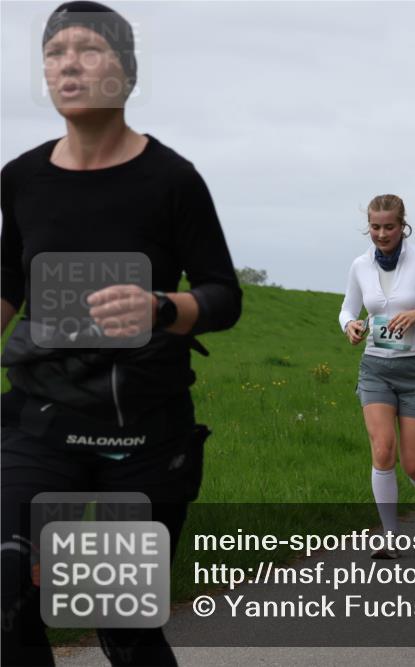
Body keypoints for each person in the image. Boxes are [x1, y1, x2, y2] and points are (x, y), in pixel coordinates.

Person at [1, 4, 242, 664]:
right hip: (40, 415)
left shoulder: (171, 180)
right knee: (4, 591)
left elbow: (224, 295)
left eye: (88, 50)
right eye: (54, 52)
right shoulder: (20, 178)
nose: (68, 63)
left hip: (143, 428)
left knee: (117, 617)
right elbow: (9, 287)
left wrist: (161, 307)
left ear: (127, 73)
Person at [340, 194, 415, 559]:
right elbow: (347, 308)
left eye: (388, 226)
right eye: (375, 227)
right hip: (375, 367)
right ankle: (389, 536)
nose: (381, 233)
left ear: (402, 225)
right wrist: (351, 325)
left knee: (412, 463)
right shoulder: (360, 265)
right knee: (382, 451)